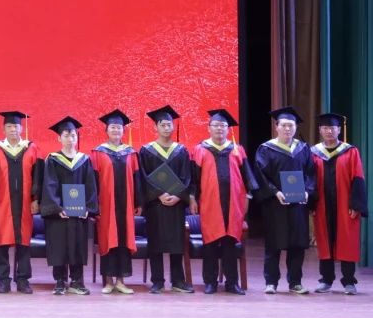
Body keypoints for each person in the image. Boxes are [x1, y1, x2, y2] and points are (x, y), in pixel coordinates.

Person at [192, 109, 258, 295]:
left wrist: (248, 197)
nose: (219, 129)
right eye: (216, 125)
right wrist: (192, 198)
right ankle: (210, 282)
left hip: (233, 204)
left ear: (228, 129)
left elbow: (247, 176)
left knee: (230, 243)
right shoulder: (200, 149)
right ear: (209, 128)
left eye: (223, 126)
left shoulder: (237, 149)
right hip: (209, 203)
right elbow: (194, 178)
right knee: (210, 243)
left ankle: (232, 283)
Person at [254, 107, 316, 294]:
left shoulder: (303, 149)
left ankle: (295, 282)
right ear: (276, 127)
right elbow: (260, 175)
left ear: (296, 127)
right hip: (275, 204)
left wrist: (308, 191)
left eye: (291, 125)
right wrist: (275, 192)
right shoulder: (266, 149)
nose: (288, 129)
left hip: (298, 204)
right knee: (273, 244)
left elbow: (311, 173)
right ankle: (271, 282)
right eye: (284, 125)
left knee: (297, 245)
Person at [136, 105, 194, 294]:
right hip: (155, 205)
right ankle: (157, 281)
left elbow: (187, 177)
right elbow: (143, 177)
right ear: (156, 127)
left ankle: (178, 281)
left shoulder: (181, 151)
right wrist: (159, 194)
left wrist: (178, 196)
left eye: (169, 124)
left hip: (176, 205)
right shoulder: (146, 151)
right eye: (163, 125)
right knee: (156, 242)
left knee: (177, 244)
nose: (167, 128)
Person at [38, 117, 98, 295]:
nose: (70, 139)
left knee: (78, 245)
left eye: (73, 135)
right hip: (59, 214)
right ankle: (60, 280)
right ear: (59, 138)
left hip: (78, 214)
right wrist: (57, 208)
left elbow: (90, 186)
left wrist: (88, 208)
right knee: (59, 245)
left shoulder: (84, 160)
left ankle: (77, 281)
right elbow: (49, 185)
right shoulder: (53, 160)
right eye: (66, 135)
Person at [310, 113, 367, 295]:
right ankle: (326, 280)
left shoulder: (350, 151)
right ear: (320, 130)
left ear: (339, 130)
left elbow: (358, 177)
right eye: (325, 128)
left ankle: (349, 281)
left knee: (347, 241)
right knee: (324, 242)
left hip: (345, 205)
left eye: (332, 128)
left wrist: (356, 205)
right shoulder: (313, 153)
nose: (329, 131)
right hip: (322, 205)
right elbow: (309, 180)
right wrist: (311, 204)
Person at [0, 111, 43, 294]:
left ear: (21, 128)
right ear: (3, 129)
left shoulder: (32, 148)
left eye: (16, 126)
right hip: (2, 202)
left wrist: (36, 199)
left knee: (24, 242)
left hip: (25, 202)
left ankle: (23, 280)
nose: (13, 129)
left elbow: (37, 176)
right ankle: (3, 280)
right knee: (1, 242)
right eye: (9, 126)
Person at [90, 109, 140, 295]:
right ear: (106, 130)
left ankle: (121, 281)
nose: (116, 130)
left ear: (123, 131)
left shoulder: (131, 153)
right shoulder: (98, 153)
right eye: (112, 127)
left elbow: (137, 180)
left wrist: (138, 203)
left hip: (126, 206)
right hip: (106, 206)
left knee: (123, 241)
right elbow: (92, 182)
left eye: (119, 127)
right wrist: (94, 206)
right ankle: (108, 281)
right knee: (107, 240)